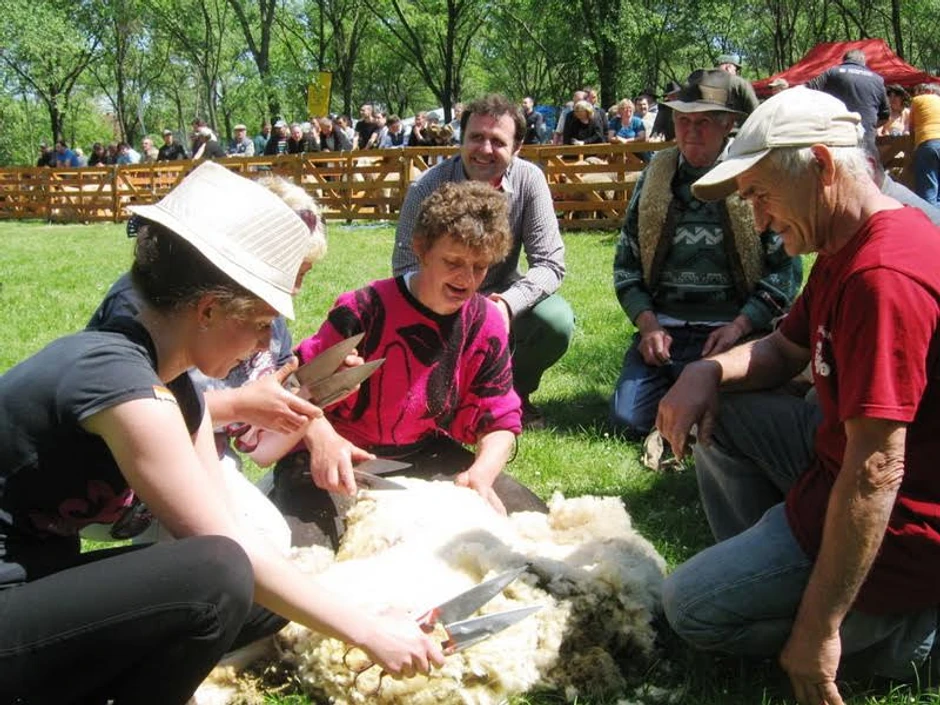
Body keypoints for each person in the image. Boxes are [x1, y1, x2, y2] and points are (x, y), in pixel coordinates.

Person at [0, 161, 444, 704]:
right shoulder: (123, 386)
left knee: (261, 595)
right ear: (208, 310)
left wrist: (360, 611)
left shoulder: (174, 391)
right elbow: (220, 546)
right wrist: (367, 633)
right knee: (220, 572)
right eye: (260, 323)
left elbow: (232, 528)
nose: (264, 344)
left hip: (38, 583)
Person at [657, 87, 940, 699]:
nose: (757, 219)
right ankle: (777, 568)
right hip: (835, 469)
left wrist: (818, 628)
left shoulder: (882, 278)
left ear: (822, 165)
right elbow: (784, 351)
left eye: (761, 195)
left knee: (688, 608)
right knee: (725, 404)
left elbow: (877, 470)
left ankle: (912, 633)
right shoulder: (845, 241)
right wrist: (707, 372)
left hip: (904, 525)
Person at [257, 181, 549, 547]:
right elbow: (291, 385)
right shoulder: (362, 309)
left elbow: (501, 418)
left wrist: (482, 474)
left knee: (536, 530)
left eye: (480, 266)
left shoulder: (486, 322)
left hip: (422, 453)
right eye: (453, 262)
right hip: (338, 451)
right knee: (308, 554)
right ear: (422, 249)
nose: (466, 279)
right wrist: (322, 440)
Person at [610, 68, 801, 438]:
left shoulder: (753, 176)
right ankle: (677, 384)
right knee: (627, 422)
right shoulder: (655, 177)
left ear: (728, 124)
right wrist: (648, 326)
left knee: (732, 421)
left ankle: (697, 390)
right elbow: (626, 265)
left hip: (732, 333)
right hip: (665, 331)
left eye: (704, 122)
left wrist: (740, 325)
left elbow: (785, 271)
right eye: (683, 120)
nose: (691, 131)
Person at [393, 94, 574, 428]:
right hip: (438, 298)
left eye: (498, 141)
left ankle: (514, 394)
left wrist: (506, 305)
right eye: (476, 137)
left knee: (555, 321)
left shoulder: (530, 180)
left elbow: (550, 262)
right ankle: (445, 397)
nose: (485, 149)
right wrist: (452, 304)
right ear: (461, 139)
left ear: (517, 147)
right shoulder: (426, 187)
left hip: (501, 293)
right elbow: (405, 265)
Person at [806, 48, 889, 135]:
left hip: (838, 135)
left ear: (845, 60)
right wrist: (869, 127)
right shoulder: (878, 80)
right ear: (864, 62)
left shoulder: (833, 72)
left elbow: (807, 88)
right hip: (866, 137)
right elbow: (885, 115)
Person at [909, 83, 940, 206]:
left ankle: (931, 217)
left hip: (928, 141)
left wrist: (913, 147)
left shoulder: (917, 100)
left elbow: (911, 127)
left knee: (928, 189)